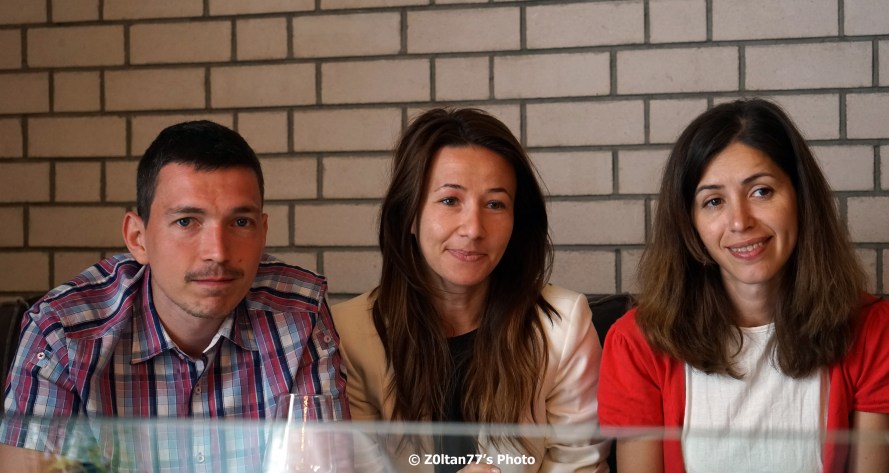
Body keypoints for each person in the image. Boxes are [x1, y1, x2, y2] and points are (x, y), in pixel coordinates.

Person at [1, 120, 349, 466]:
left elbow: (321, 467)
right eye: (186, 221)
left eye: (241, 222)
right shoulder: (62, 333)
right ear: (138, 239)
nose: (218, 253)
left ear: (263, 232)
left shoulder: (300, 312)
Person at [598, 98, 889, 472]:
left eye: (761, 191)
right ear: (689, 224)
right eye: (713, 201)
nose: (739, 222)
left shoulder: (873, 330)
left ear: (801, 198)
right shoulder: (637, 344)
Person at [332, 108, 609, 473]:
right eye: (450, 200)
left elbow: (578, 466)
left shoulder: (563, 324)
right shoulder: (347, 333)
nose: (474, 229)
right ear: (408, 215)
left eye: (495, 204)